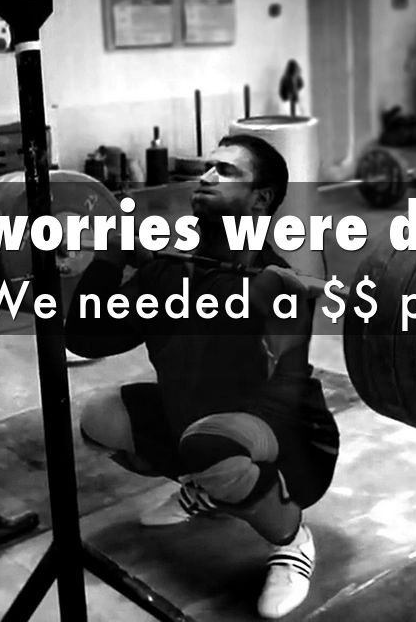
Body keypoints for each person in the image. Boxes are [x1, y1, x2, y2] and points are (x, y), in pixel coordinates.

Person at [65, 134, 340, 619]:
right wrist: (110, 258)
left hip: (293, 445)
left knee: (211, 443)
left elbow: (279, 398)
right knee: (101, 418)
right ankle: (211, 487)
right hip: (204, 427)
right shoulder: (168, 272)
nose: (207, 176)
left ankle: (291, 538)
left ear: (261, 199)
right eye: (209, 167)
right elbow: (86, 337)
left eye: (227, 171)